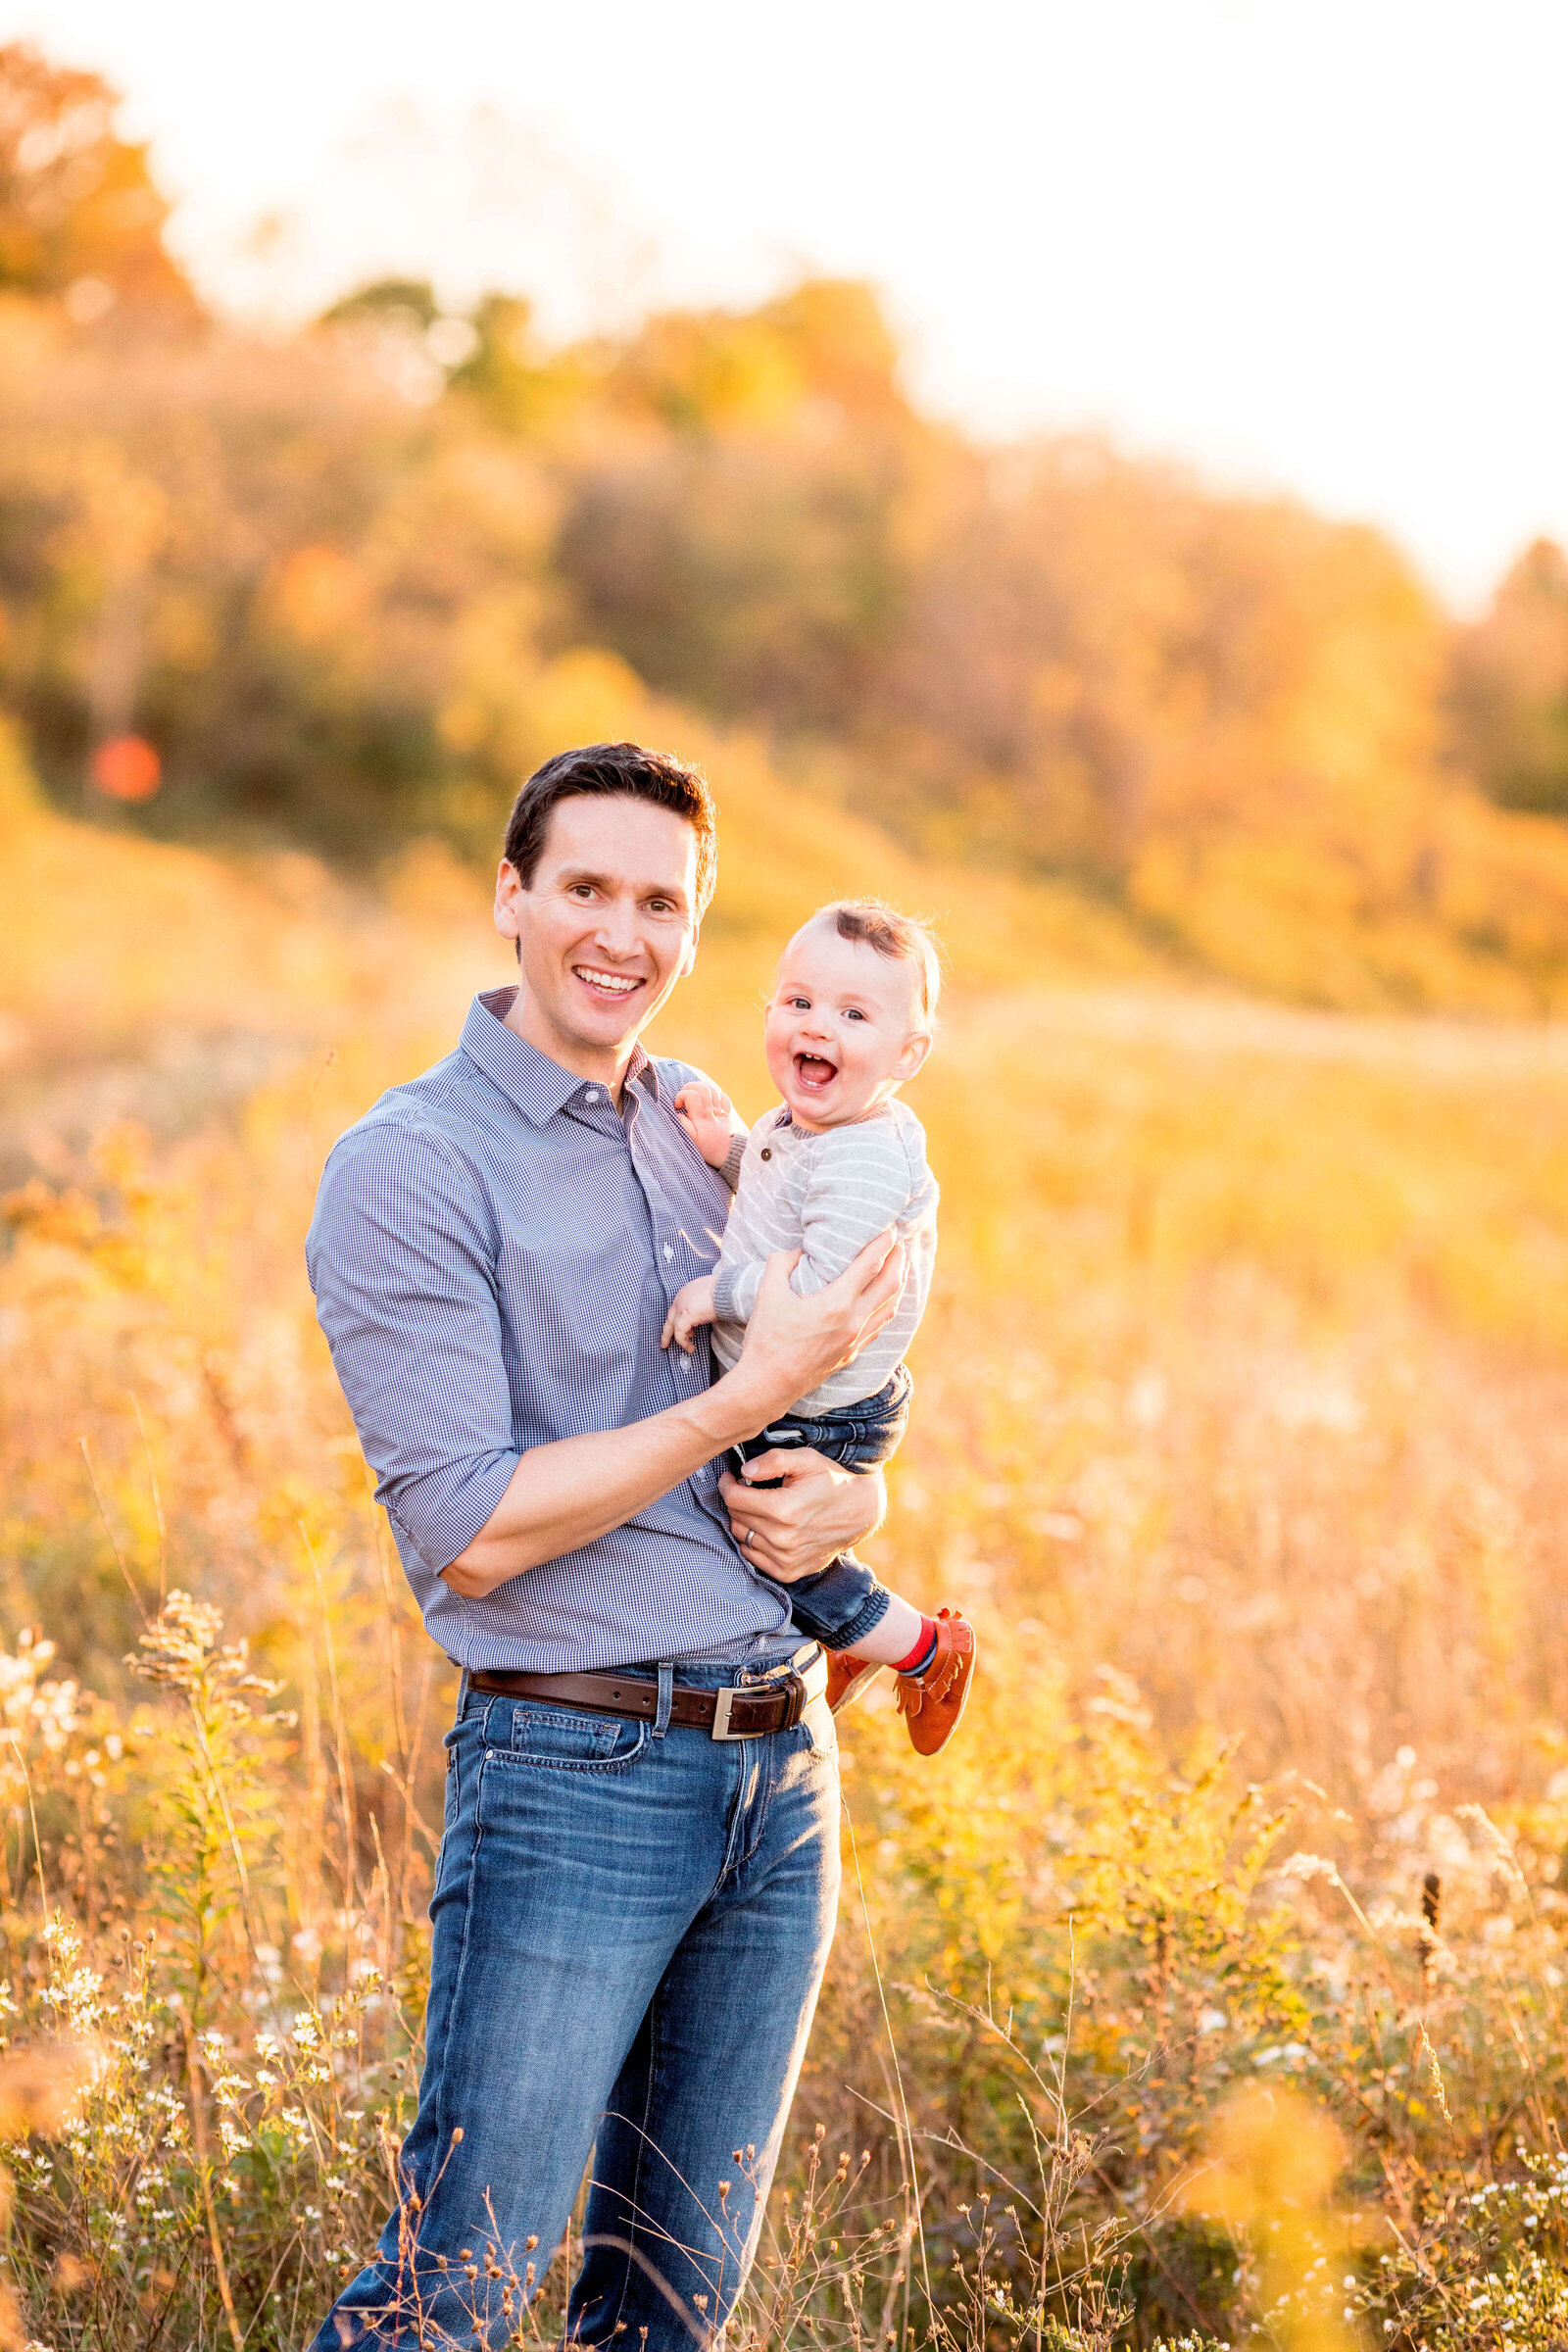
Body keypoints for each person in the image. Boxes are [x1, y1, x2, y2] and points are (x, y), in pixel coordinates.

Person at [304, 742, 904, 2351]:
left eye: (661, 901)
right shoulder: (412, 1167)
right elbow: (472, 1530)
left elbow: (818, 1395)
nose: (619, 934)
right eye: (585, 887)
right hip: (579, 1777)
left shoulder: (712, 1128)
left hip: (780, 1783)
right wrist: (747, 1402)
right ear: (511, 896)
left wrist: (858, 1505)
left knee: (669, 2308)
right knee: (456, 2292)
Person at [662, 899, 975, 1753]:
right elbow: (778, 1199)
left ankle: (917, 1647)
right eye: (797, 1002)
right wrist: (726, 1148)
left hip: (822, 1405)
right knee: (769, 1535)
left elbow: (816, 1286)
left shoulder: (869, 1153)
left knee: (772, 1545)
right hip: (803, 1387)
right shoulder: (809, 1127)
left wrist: (715, 1294)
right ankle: (852, 1639)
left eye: (854, 1014)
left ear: (907, 1054)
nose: (817, 1028)